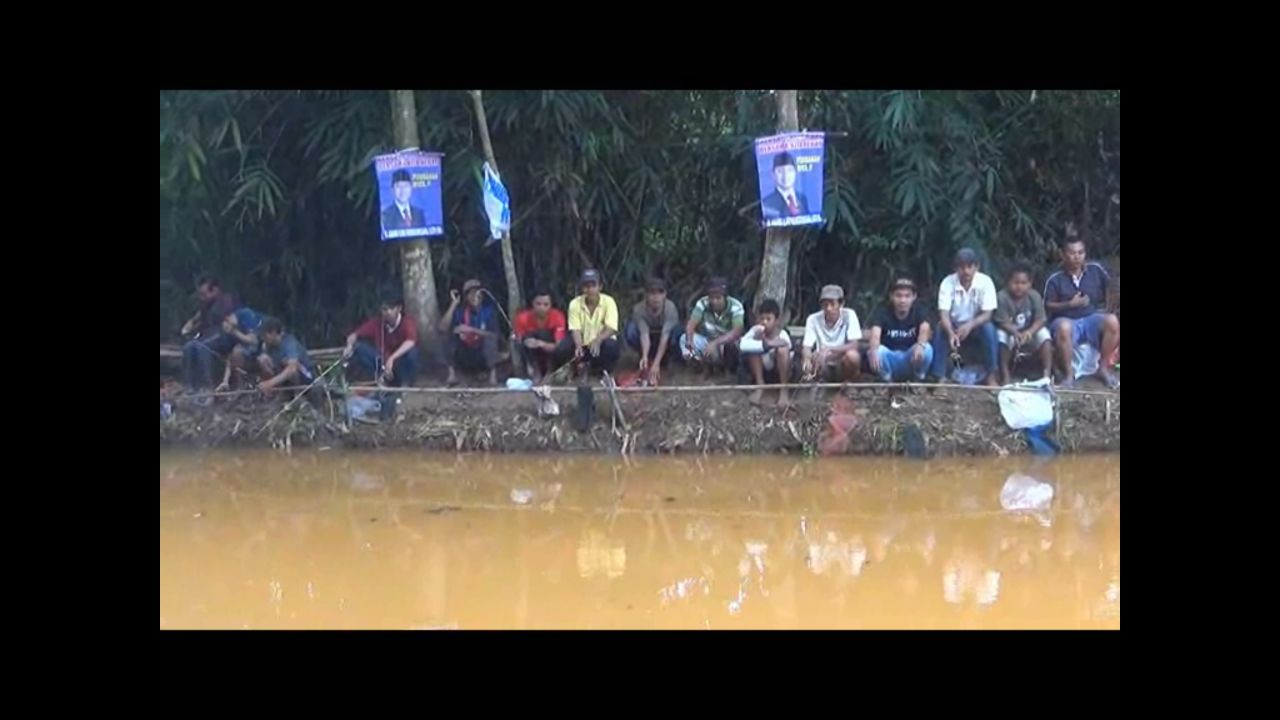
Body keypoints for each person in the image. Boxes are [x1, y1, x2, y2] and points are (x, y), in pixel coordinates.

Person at [1043, 238, 1120, 388]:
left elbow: (1111, 286)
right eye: (1072, 253)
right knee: (1064, 327)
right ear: (1063, 255)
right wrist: (1069, 304)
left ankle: (1103, 368)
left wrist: (1108, 307)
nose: (1076, 257)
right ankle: (1068, 375)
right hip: (1065, 319)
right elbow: (1047, 305)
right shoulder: (1054, 277)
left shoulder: (1095, 269)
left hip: (1091, 317)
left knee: (1112, 321)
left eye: (1080, 252)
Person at [930, 248, 999, 386]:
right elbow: (943, 313)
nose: (966, 271)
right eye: (961, 267)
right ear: (955, 268)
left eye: (969, 266)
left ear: (976, 267)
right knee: (940, 329)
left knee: (989, 329)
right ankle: (939, 376)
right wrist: (951, 333)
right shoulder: (948, 282)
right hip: (954, 324)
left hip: (976, 324)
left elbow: (987, 314)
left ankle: (991, 375)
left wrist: (969, 325)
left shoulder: (985, 282)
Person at [994, 263, 1053, 384]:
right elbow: (1001, 321)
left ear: (1030, 284)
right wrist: (1015, 332)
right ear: (1008, 283)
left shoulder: (1034, 295)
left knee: (1045, 335)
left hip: (1029, 331)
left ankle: (1047, 374)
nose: (1019, 286)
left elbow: (1041, 319)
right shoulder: (1002, 297)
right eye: (1015, 283)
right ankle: (1005, 374)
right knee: (1001, 337)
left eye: (1023, 283)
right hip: (1009, 331)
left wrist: (1030, 332)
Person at [866, 278, 933, 383]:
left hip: (910, 358)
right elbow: (875, 333)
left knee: (927, 349)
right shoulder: (882, 311)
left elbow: (925, 328)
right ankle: (886, 381)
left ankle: (918, 380)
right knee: (876, 351)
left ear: (914, 297)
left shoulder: (919, 310)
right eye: (899, 295)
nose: (903, 300)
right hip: (890, 359)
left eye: (907, 296)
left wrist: (920, 345)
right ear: (891, 296)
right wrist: (873, 351)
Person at [343, 296, 420, 388]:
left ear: (399, 308)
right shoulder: (377, 323)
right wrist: (349, 346)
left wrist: (392, 358)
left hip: (399, 363)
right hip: (382, 361)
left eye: (391, 309)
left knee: (412, 353)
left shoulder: (407, 322)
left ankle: (405, 383)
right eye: (384, 309)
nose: (388, 312)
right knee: (359, 348)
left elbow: (410, 341)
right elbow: (354, 335)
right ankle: (378, 379)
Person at [180, 275, 238, 392]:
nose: (202, 298)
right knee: (189, 347)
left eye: (204, 294)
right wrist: (191, 325)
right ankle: (190, 386)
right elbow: (198, 319)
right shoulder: (206, 305)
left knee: (202, 346)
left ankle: (207, 385)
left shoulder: (227, 301)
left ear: (215, 290)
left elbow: (232, 322)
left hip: (225, 335)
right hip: (209, 336)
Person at [439, 278, 501, 386]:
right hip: (465, 353)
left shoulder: (488, 311)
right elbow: (442, 328)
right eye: (471, 294)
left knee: (490, 340)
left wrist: (471, 330)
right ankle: (452, 375)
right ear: (466, 297)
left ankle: (492, 375)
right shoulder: (460, 311)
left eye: (477, 293)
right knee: (446, 337)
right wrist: (453, 304)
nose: (474, 297)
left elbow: (494, 334)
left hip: (482, 354)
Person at [560, 268, 621, 376]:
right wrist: (578, 345)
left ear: (600, 287)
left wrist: (598, 339)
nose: (590, 289)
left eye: (593, 285)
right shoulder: (574, 304)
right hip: (584, 345)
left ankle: (600, 370)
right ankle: (578, 366)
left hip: (601, 344)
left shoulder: (609, 301)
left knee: (612, 346)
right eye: (586, 286)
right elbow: (575, 329)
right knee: (564, 346)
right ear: (582, 288)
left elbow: (611, 328)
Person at [680, 277, 746, 374]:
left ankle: (727, 371)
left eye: (718, 298)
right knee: (683, 338)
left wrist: (715, 343)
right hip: (708, 339)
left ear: (725, 297)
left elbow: (737, 331)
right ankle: (699, 363)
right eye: (712, 298)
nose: (714, 301)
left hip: (727, 341)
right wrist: (689, 340)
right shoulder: (702, 303)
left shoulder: (736, 306)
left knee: (732, 347)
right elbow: (691, 324)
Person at [623, 277, 681, 386]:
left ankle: (668, 360)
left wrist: (656, 363)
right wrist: (644, 355)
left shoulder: (670, 308)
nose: (656, 297)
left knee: (677, 332)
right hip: (649, 337)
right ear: (646, 295)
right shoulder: (639, 309)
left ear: (665, 295)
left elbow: (665, 336)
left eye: (660, 293)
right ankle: (645, 360)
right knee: (631, 330)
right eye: (652, 293)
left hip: (664, 338)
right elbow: (644, 335)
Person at [800, 284, 863, 381]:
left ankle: (848, 383)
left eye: (832, 304)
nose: (828, 308)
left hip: (841, 360)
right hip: (821, 361)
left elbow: (854, 345)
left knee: (852, 356)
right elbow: (807, 346)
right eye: (825, 304)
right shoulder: (813, 319)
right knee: (811, 360)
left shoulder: (849, 315)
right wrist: (807, 358)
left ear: (841, 304)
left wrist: (830, 349)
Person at [739, 298, 793, 406]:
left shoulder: (782, 333)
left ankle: (783, 390)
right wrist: (759, 341)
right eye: (762, 318)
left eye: (768, 319)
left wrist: (767, 343)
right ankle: (760, 386)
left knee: (782, 351)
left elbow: (785, 344)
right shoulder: (755, 331)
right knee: (753, 348)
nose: (764, 322)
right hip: (762, 370)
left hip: (779, 371)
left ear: (777, 320)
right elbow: (742, 344)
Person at [512, 289, 567, 383]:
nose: (542, 308)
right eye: (538, 304)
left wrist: (541, 344)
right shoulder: (522, 317)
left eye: (546, 304)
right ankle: (536, 371)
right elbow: (519, 338)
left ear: (551, 305)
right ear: (532, 304)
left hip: (550, 346)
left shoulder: (558, 316)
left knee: (561, 345)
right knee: (524, 339)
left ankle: (550, 371)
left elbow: (558, 345)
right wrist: (519, 339)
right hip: (532, 349)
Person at [256, 317, 315, 396]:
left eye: (265, 335)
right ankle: (276, 393)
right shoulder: (269, 346)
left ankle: (297, 396)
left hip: (305, 377)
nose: (263, 338)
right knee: (263, 359)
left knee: (290, 366)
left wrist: (270, 383)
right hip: (283, 379)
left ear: (273, 333)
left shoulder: (289, 343)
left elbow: (292, 369)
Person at [215, 306, 265, 392]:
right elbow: (230, 356)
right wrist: (225, 380)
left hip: (266, 342)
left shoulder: (246, 315)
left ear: (227, 318)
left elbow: (253, 341)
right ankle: (240, 387)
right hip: (251, 350)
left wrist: (234, 332)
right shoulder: (229, 331)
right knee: (236, 353)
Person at [761, 152, 811, 220]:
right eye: (780, 171)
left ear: (795, 172)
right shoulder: (766, 203)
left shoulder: (802, 198)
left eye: (789, 170)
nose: (785, 176)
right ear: (773, 174)